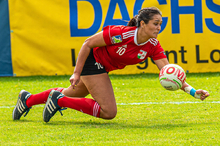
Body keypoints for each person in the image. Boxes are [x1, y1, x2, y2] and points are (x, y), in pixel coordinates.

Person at [12, 7, 209, 123]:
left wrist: (192, 91)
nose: (159, 27)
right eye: (155, 23)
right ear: (142, 24)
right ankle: (59, 100)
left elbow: (169, 72)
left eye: (160, 23)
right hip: (93, 61)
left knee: (75, 94)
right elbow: (88, 43)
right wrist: (76, 73)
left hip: (103, 67)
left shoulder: (152, 46)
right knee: (108, 111)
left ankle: (27, 100)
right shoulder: (121, 33)